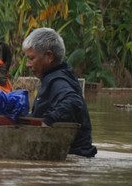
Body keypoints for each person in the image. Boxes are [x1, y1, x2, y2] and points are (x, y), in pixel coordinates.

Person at [22, 27, 97, 157]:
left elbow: (73, 102)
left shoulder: (57, 80)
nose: (28, 64)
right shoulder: (57, 76)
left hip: (73, 157)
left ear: (49, 56)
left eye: (31, 58)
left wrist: (47, 121)